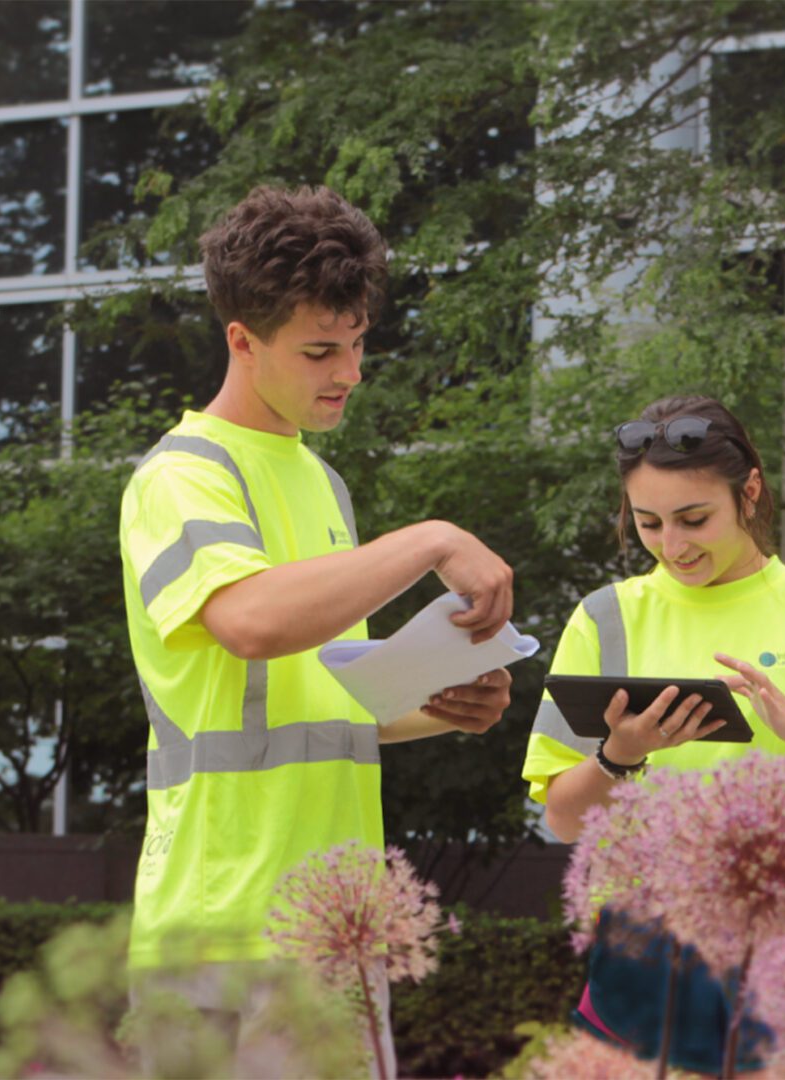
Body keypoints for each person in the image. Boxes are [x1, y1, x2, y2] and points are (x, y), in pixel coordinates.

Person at [119, 184, 514, 1073]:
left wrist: (433, 703)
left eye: (359, 341)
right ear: (241, 342)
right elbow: (253, 623)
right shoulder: (183, 476)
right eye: (320, 350)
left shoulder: (320, 483)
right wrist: (430, 538)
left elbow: (325, 697)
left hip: (332, 922)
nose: (350, 371)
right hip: (221, 925)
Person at [522, 393, 785, 1074]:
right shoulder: (604, 619)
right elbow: (565, 820)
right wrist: (620, 756)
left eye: (694, 518)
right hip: (646, 950)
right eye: (650, 523)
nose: (674, 546)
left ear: (749, 493)